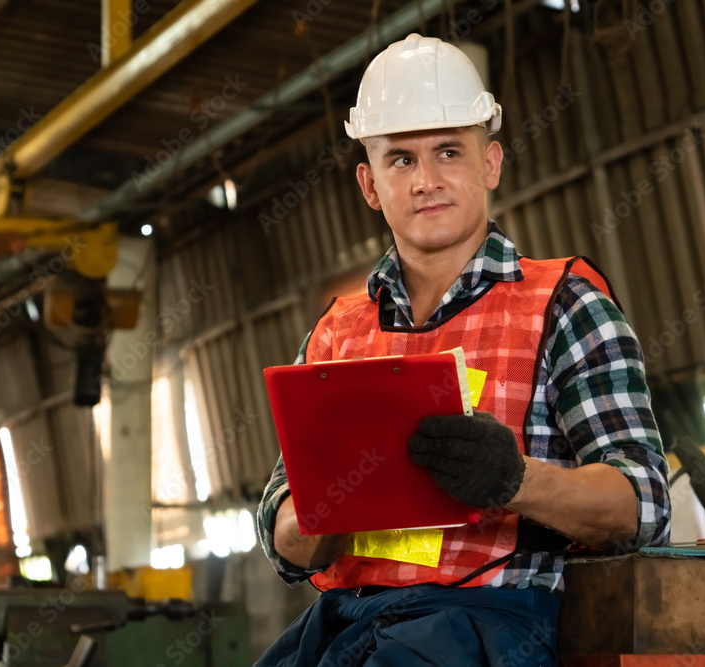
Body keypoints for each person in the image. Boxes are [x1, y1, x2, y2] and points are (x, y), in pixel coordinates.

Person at [255, 34, 670, 667]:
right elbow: (286, 531)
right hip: (345, 625)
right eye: (400, 159)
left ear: (491, 164)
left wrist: (514, 480)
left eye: (449, 151)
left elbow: (643, 503)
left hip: (494, 626)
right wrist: (325, 510)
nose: (426, 181)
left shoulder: (565, 306)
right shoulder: (336, 335)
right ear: (369, 183)